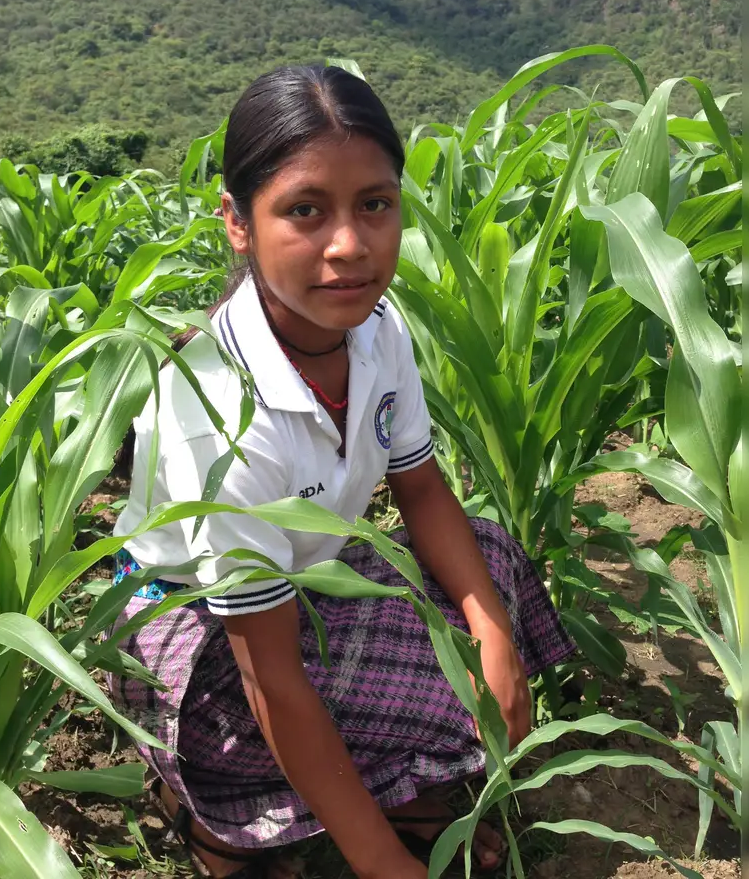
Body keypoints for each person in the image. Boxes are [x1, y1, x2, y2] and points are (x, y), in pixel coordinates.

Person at [108, 65, 576, 878]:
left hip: (304, 593)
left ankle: (390, 788)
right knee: (437, 692)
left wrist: (496, 637)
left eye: (375, 204)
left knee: (493, 567)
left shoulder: (378, 328)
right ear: (238, 224)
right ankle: (213, 818)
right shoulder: (218, 412)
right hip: (202, 653)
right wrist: (385, 867)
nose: (351, 245)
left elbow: (422, 489)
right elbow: (272, 678)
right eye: (304, 210)